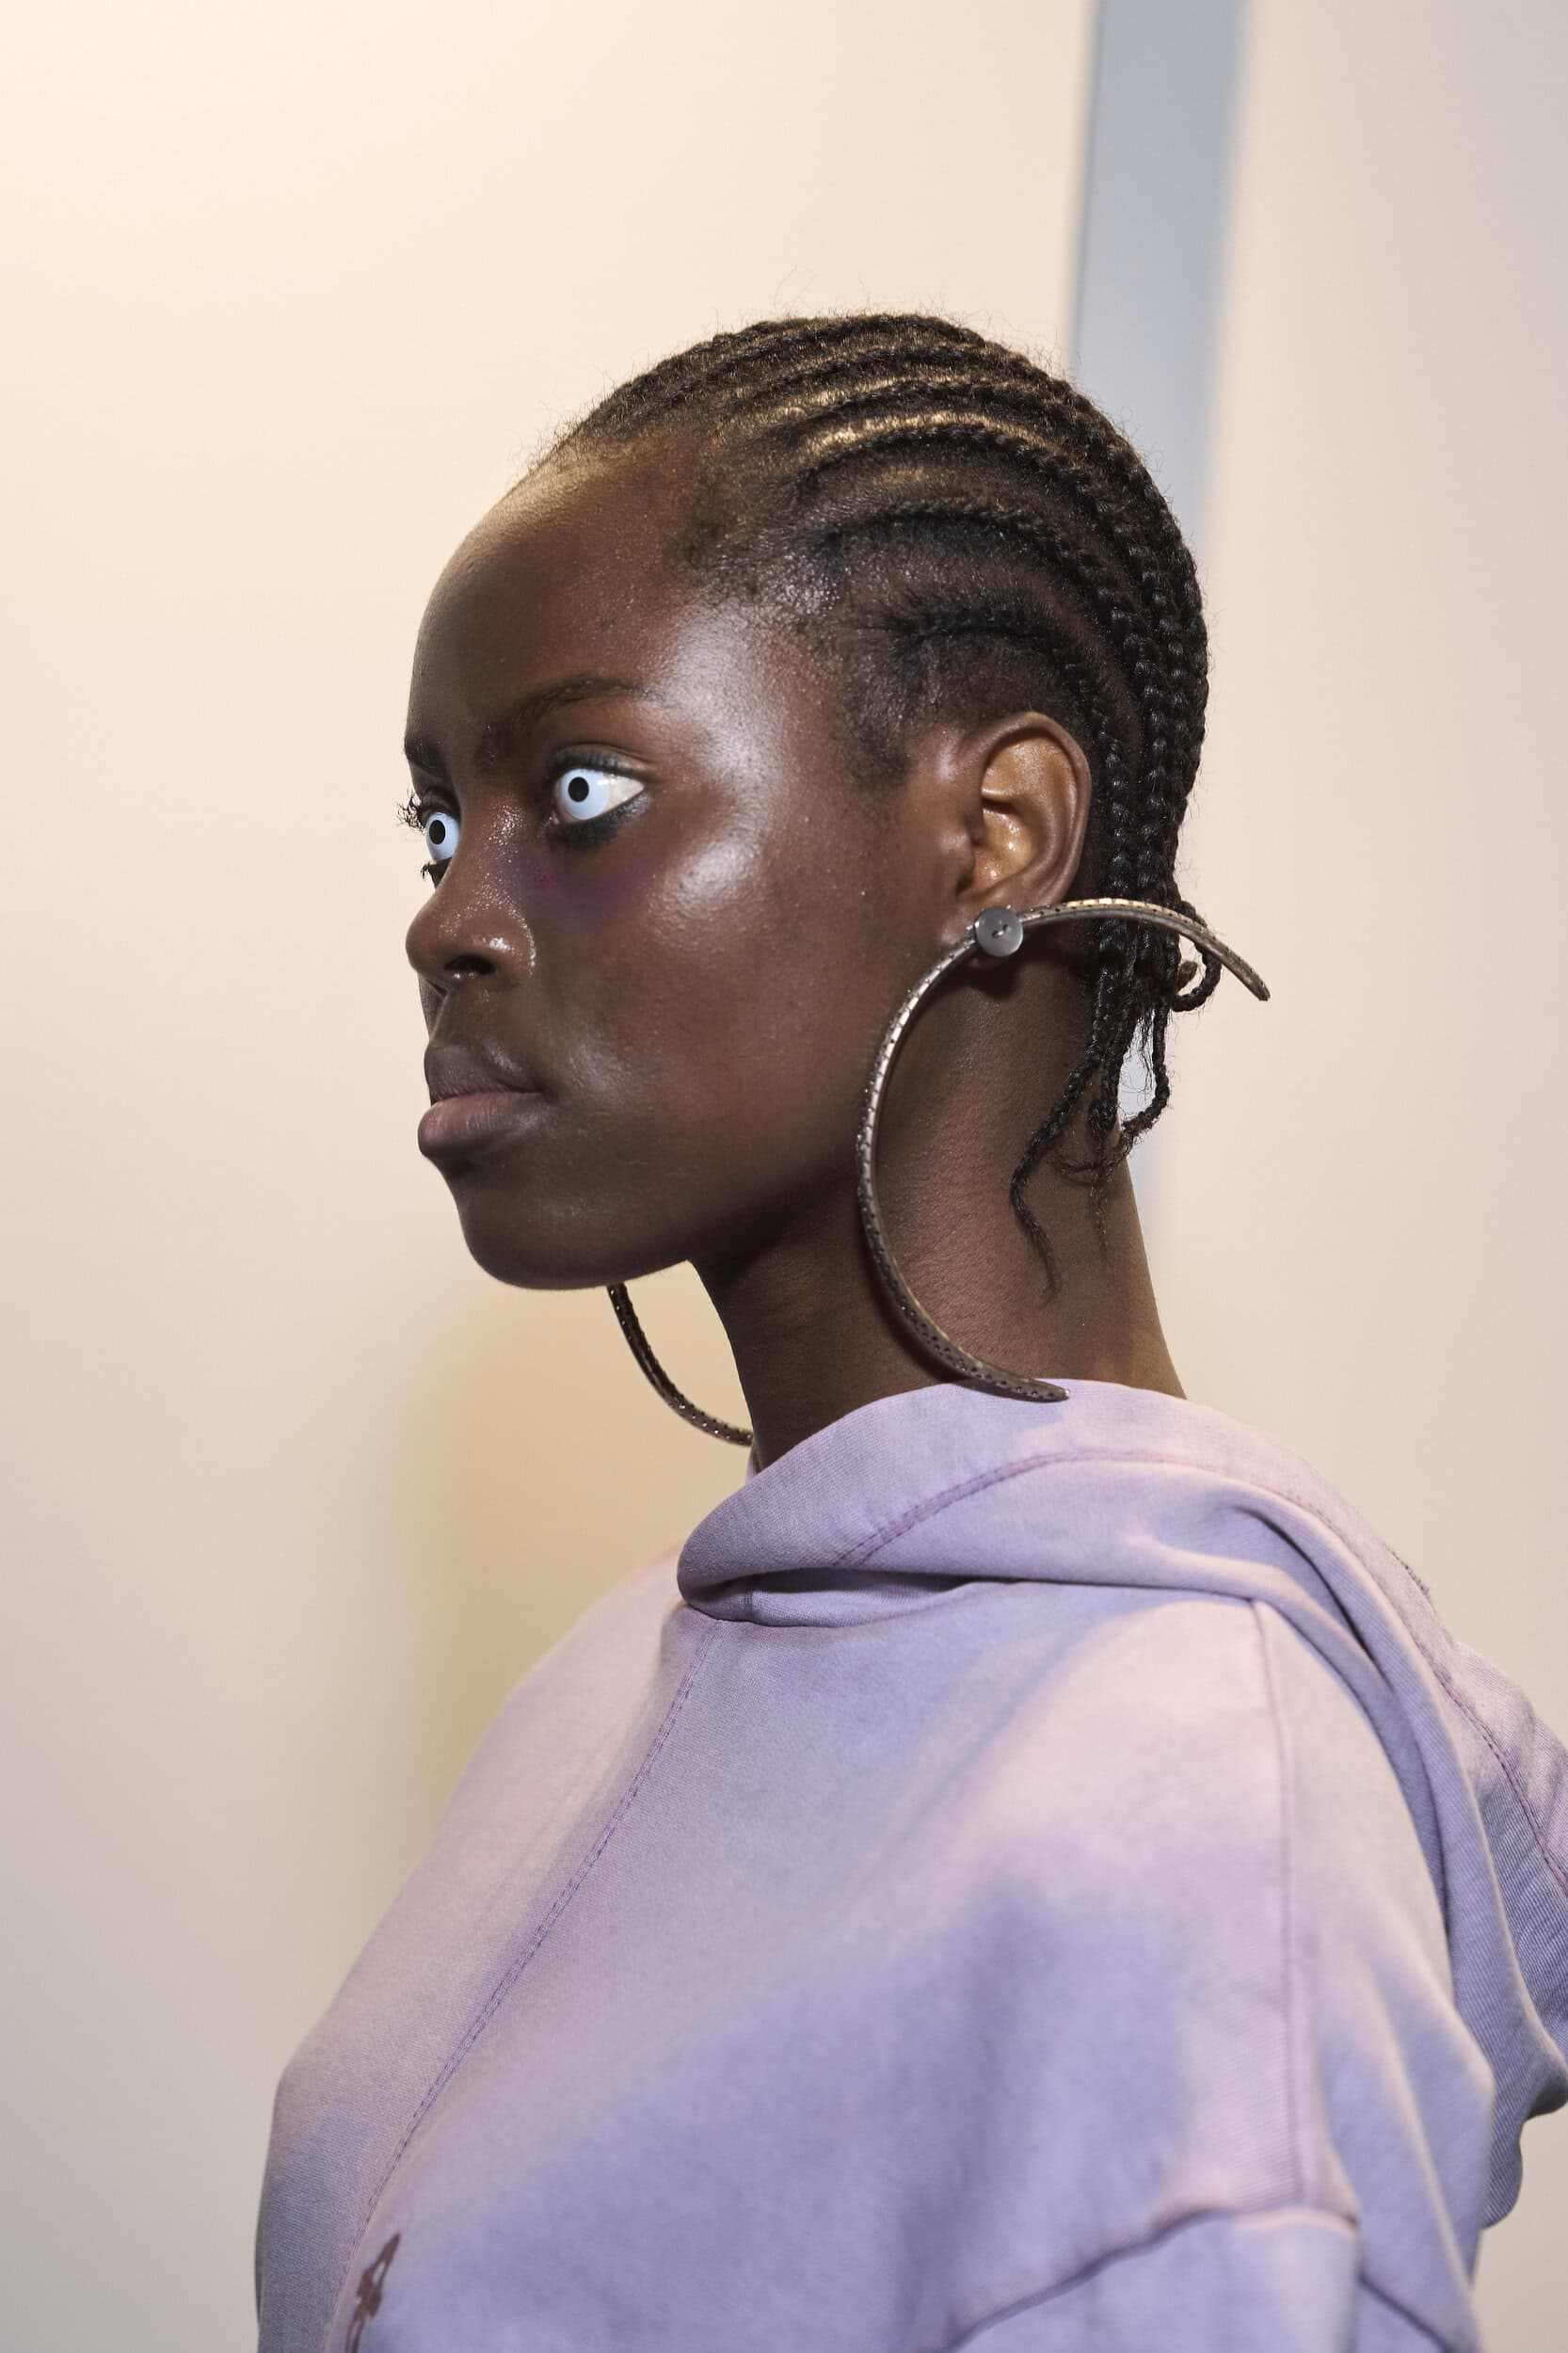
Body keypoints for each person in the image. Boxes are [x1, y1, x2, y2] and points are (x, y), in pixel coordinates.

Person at [255, 314, 1568, 2351]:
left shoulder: (1184, 1844)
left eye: (580, 791)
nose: (448, 915)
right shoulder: (618, 1685)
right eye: (441, 822)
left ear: (998, 833)